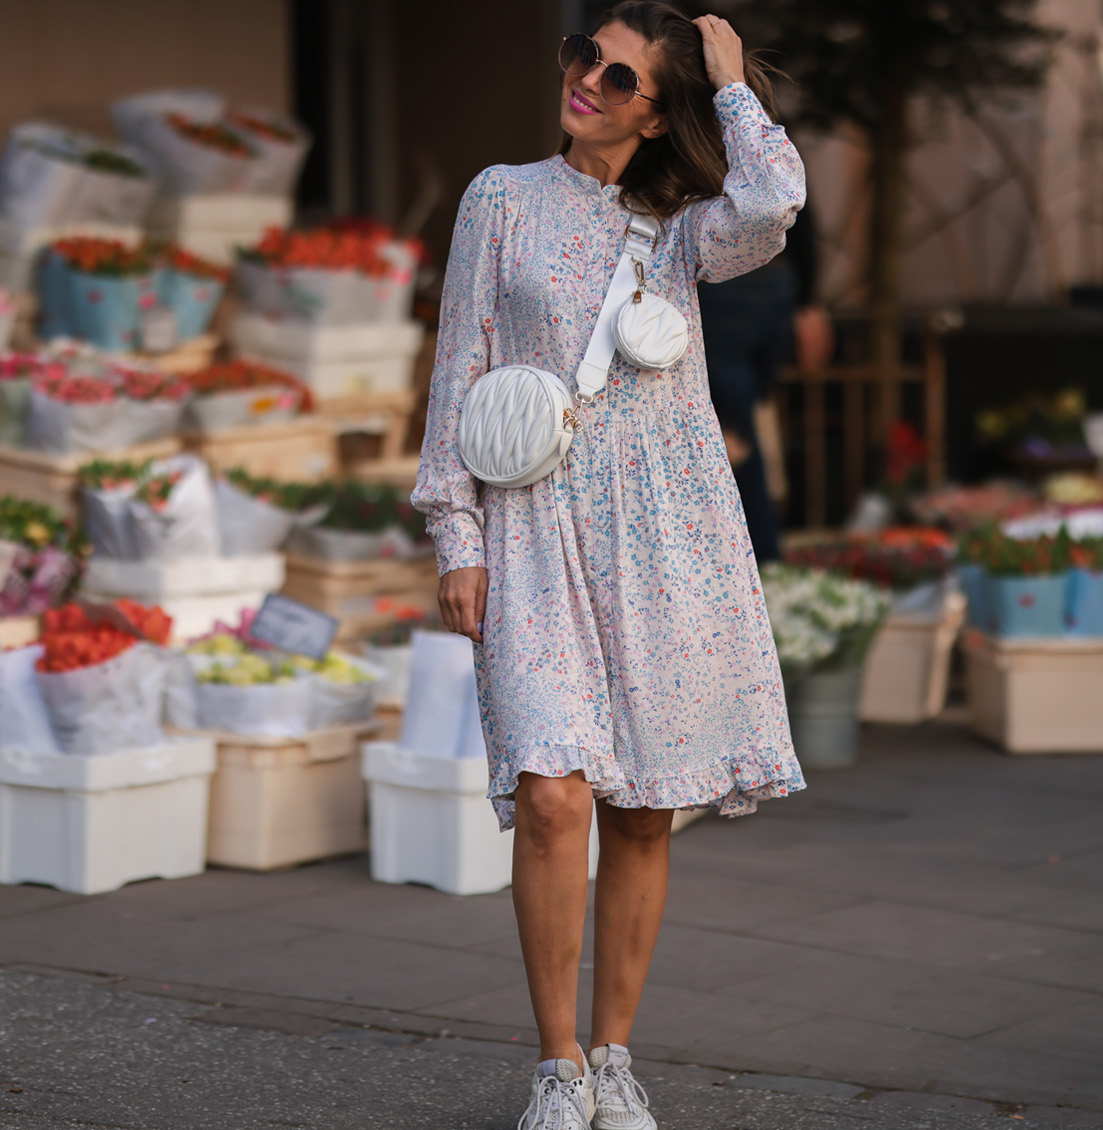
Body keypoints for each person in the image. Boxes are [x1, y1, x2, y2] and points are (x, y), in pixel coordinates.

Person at [411, 6, 806, 1127]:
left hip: (666, 533)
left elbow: (775, 202)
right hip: (533, 528)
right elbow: (459, 365)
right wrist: (457, 533)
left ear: (656, 108)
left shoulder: (683, 227)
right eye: (584, 52)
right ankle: (557, 1062)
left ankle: (617, 1053)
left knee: (640, 809)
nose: (586, 77)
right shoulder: (498, 197)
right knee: (550, 793)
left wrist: (728, 81)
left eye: (618, 73)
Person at [696, 215, 829, 562]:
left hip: (714, 287)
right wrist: (807, 298)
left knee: (732, 442)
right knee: (741, 434)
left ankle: (754, 567)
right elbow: (795, 205)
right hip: (771, 279)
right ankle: (762, 566)